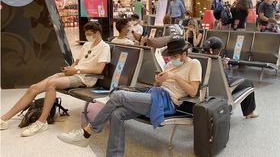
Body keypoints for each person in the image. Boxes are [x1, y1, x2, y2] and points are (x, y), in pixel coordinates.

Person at [57, 38, 201, 156]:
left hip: (167, 102)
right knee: (117, 114)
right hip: (154, 94)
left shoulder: (194, 64)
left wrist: (174, 77)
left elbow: (193, 92)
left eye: (175, 56)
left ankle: (87, 132)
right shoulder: (169, 64)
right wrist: (158, 80)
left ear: (184, 53)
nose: (172, 59)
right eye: (170, 56)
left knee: (118, 95)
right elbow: (157, 87)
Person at [0, 22, 110, 135]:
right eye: (86, 34)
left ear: (97, 33)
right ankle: (4, 119)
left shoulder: (104, 47)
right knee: (33, 88)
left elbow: (98, 70)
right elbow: (77, 62)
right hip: (72, 73)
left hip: (83, 79)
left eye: (90, 34)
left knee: (51, 84)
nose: (87, 36)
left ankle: (41, 122)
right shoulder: (87, 45)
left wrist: (76, 71)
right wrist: (70, 69)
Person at [203, 37, 258, 119]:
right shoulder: (216, 62)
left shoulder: (199, 58)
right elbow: (225, 80)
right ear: (217, 51)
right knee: (248, 83)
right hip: (221, 91)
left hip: (206, 90)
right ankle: (249, 112)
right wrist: (224, 67)